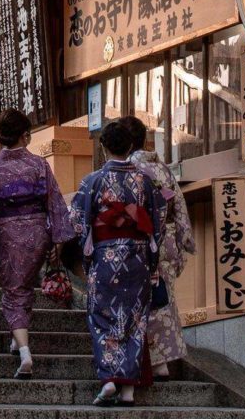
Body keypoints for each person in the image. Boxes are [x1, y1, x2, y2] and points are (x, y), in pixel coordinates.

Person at [0, 108, 74, 379]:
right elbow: (54, 201)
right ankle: (16, 338)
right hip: (37, 233)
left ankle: (25, 351)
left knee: (13, 292)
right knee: (25, 287)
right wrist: (58, 240)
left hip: (8, 233)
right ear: (26, 136)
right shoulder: (39, 165)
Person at [69, 120, 161, 408]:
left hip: (106, 256)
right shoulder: (145, 181)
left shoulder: (92, 180)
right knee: (135, 319)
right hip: (137, 256)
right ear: (131, 146)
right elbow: (157, 222)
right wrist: (152, 258)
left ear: (103, 146)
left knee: (102, 316)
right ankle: (129, 390)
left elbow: (77, 220)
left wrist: (86, 256)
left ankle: (109, 379)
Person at [121, 115, 196, 380]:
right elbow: (178, 204)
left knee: (142, 303)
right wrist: (185, 236)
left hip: (140, 243)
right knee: (163, 301)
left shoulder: (127, 169)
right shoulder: (162, 169)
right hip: (166, 243)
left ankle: (153, 362)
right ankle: (161, 361)